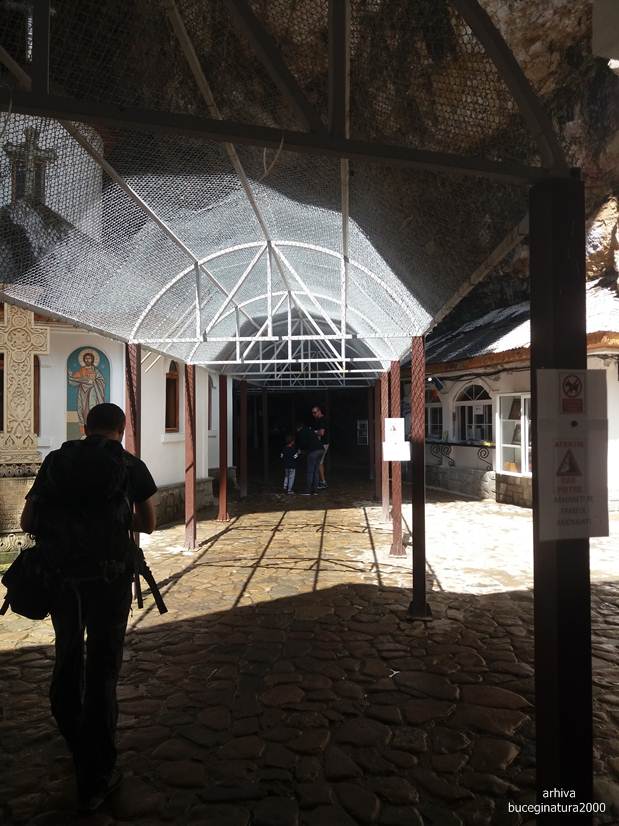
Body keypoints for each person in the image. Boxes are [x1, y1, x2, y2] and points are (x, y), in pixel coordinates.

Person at [20, 403, 157, 814]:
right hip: (110, 580)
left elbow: (28, 521)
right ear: (122, 429)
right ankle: (97, 772)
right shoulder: (130, 465)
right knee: (102, 670)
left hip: (62, 580)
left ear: (85, 427)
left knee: (67, 660)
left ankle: (77, 745)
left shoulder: (56, 462)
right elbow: (149, 524)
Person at [295, 421, 323, 496]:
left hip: (313, 451)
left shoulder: (301, 432)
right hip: (321, 450)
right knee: (316, 471)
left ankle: (308, 491)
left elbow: (303, 444)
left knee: (310, 471)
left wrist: (300, 450)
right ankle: (315, 491)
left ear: (298, 428)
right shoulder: (309, 430)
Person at [312, 404, 329, 489]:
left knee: (319, 462)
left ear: (319, 411)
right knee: (319, 462)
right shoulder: (318, 420)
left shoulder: (322, 420)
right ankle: (320, 481)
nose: (313, 414)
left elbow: (322, 433)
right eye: (312, 413)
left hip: (323, 444)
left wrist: (314, 432)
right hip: (321, 444)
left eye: (315, 412)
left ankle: (323, 482)